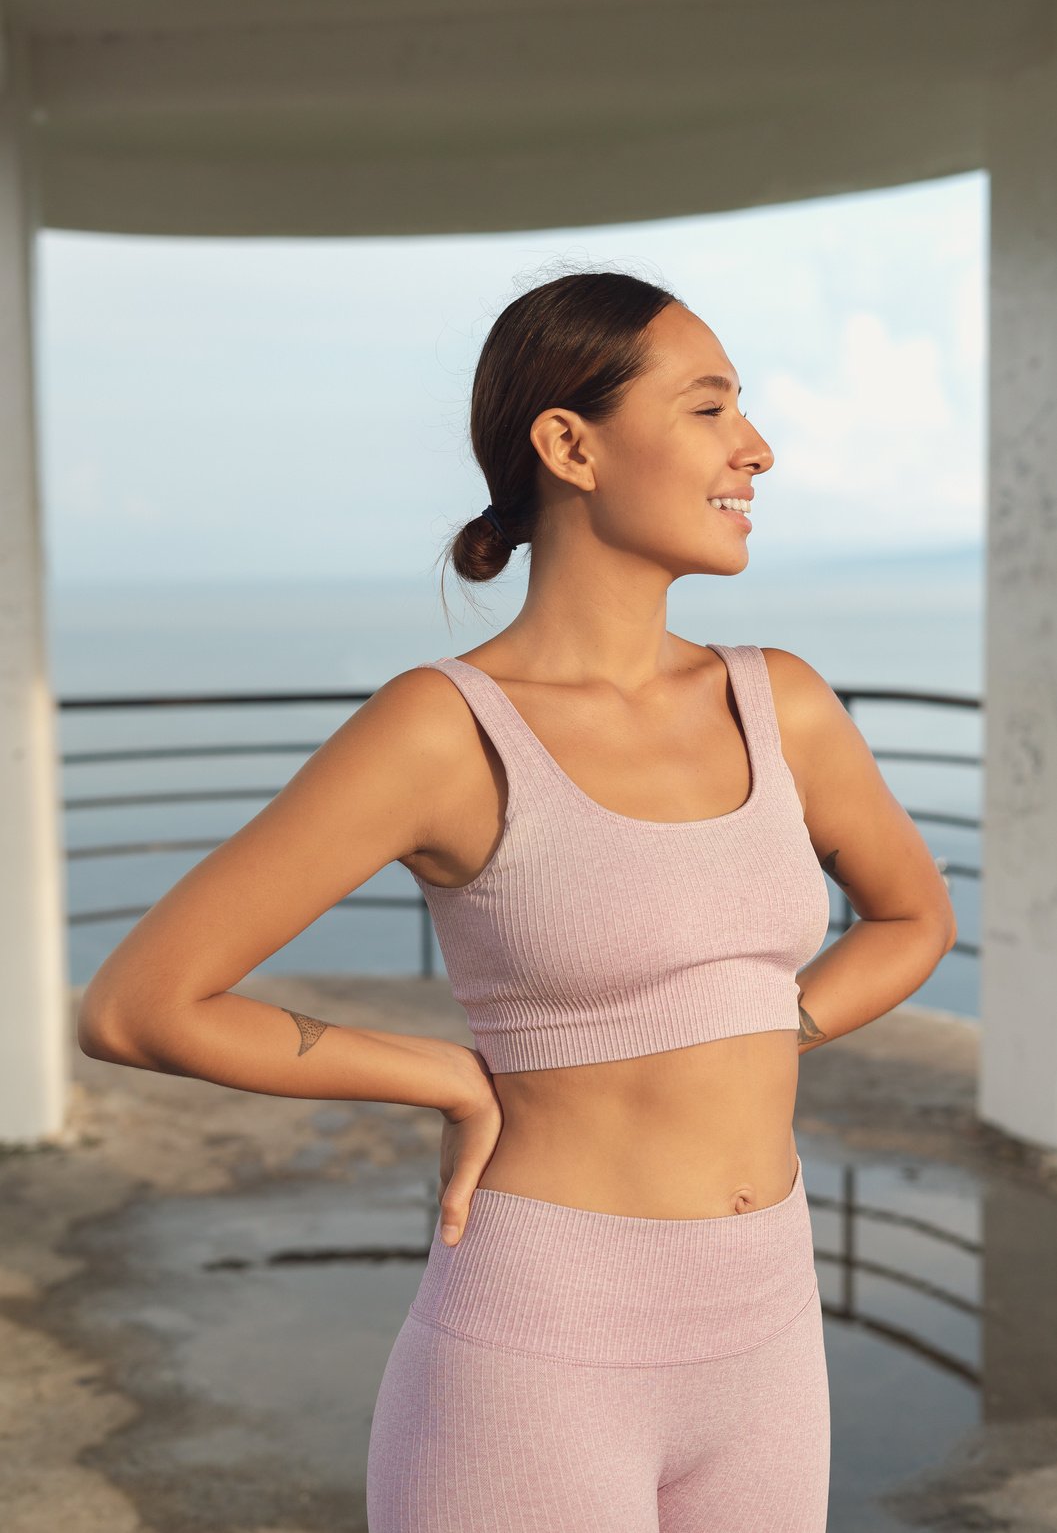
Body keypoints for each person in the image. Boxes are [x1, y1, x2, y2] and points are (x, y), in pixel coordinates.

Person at [77, 269, 957, 1532]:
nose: (755, 449)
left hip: (767, 1328)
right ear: (568, 444)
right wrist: (439, 1073)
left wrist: (770, 1027)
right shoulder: (443, 732)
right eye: (709, 409)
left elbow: (911, 917)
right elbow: (140, 1004)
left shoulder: (786, 703)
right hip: (540, 1346)